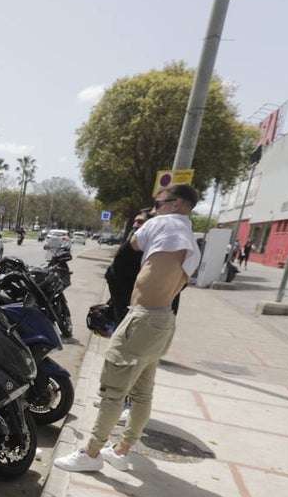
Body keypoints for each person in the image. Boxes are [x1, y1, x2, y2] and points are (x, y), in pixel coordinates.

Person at [55, 183, 201, 474]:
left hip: (142, 317)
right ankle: (121, 450)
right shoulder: (192, 242)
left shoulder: (162, 223)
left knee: (114, 390)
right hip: (164, 319)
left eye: (158, 204)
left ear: (176, 204)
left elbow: (128, 251)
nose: (154, 210)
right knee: (142, 392)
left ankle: (91, 452)